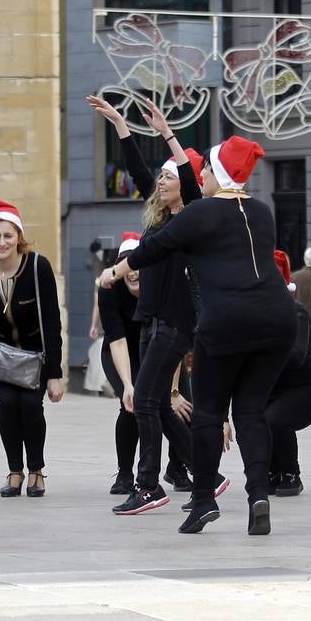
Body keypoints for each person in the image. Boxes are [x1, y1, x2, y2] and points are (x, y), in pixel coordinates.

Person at [103, 136, 296, 535]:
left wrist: (114, 272)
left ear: (218, 174)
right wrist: (171, 137)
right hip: (277, 320)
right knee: (250, 412)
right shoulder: (262, 212)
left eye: (206, 168)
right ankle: (258, 495)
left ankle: (205, 499)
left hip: (225, 319)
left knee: (208, 412)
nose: (201, 174)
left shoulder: (201, 213)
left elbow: (151, 248)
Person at [87, 94, 211, 515]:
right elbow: (139, 171)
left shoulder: (191, 219)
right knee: (154, 402)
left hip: (175, 322)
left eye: (169, 176)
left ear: (183, 183)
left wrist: (169, 134)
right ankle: (201, 476)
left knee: (142, 400)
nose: (160, 181)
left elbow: (192, 182)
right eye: (160, 177)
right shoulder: (158, 220)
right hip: (151, 320)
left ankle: (148, 485)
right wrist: (122, 127)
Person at [0, 200, 65, 498]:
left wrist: (54, 374)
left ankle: (36, 470)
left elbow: (52, 322)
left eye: (8, 235)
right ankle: (14, 471)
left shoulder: (37, 266)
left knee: (31, 406)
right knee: (7, 405)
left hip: (36, 350)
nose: (2, 242)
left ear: (19, 237)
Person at [267, 250, 311, 498]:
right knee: (255, 418)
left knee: (273, 419)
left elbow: (296, 355)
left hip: (305, 391)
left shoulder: (297, 313)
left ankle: (291, 473)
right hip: (273, 393)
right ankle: (272, 472)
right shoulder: (253, 315)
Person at [98, 232, 144, 496]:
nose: (133, 271)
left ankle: (177, 467)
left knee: (180, 403)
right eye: (127, 265)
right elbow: (117, 341)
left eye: (137, 264)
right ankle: (125, 474)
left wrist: (173, 391)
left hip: (155, 348)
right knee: (132, 406)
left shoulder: (159, 286)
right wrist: (128, 384)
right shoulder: (109, 290)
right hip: (119, 350)